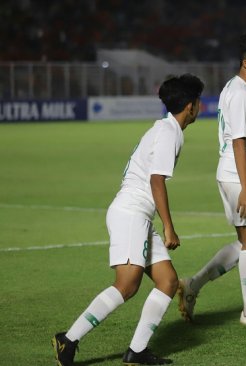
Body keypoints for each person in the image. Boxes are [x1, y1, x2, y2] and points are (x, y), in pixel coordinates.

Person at [52, 73, 204, 366]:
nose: (200, 106)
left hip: (138, 214)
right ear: (190, 106)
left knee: (167, 281)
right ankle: (68, 340)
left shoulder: (165, 129)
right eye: (198, 101)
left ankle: (137, 351)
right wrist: (169, 226)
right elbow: (156, 180)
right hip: (131, 212)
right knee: (127, 285)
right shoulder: (169, 133)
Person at [177, 34, 246, 327]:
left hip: (233, 173)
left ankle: (193, 285)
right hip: (241, 174)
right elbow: (239, 142)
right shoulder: (240, 93)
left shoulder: (236, 89)